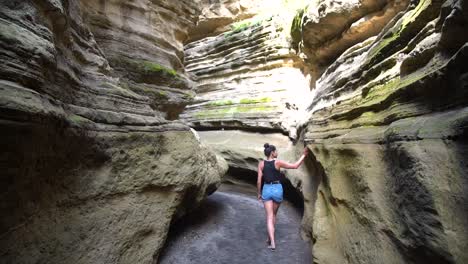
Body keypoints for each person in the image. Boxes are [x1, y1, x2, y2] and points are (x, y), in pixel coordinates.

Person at [257, 143, 308, 251]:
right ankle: (270, 238)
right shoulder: (278, 162)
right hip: (277, 189)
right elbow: (295, 166)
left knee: (269, 217)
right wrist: (304, 155)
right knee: (274, 215)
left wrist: (259, 193)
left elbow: (258, 181)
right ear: (272, 153)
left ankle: (272, 241)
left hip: (266, 189)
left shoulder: (261, 164)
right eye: (276, 151)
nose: (277, 153)